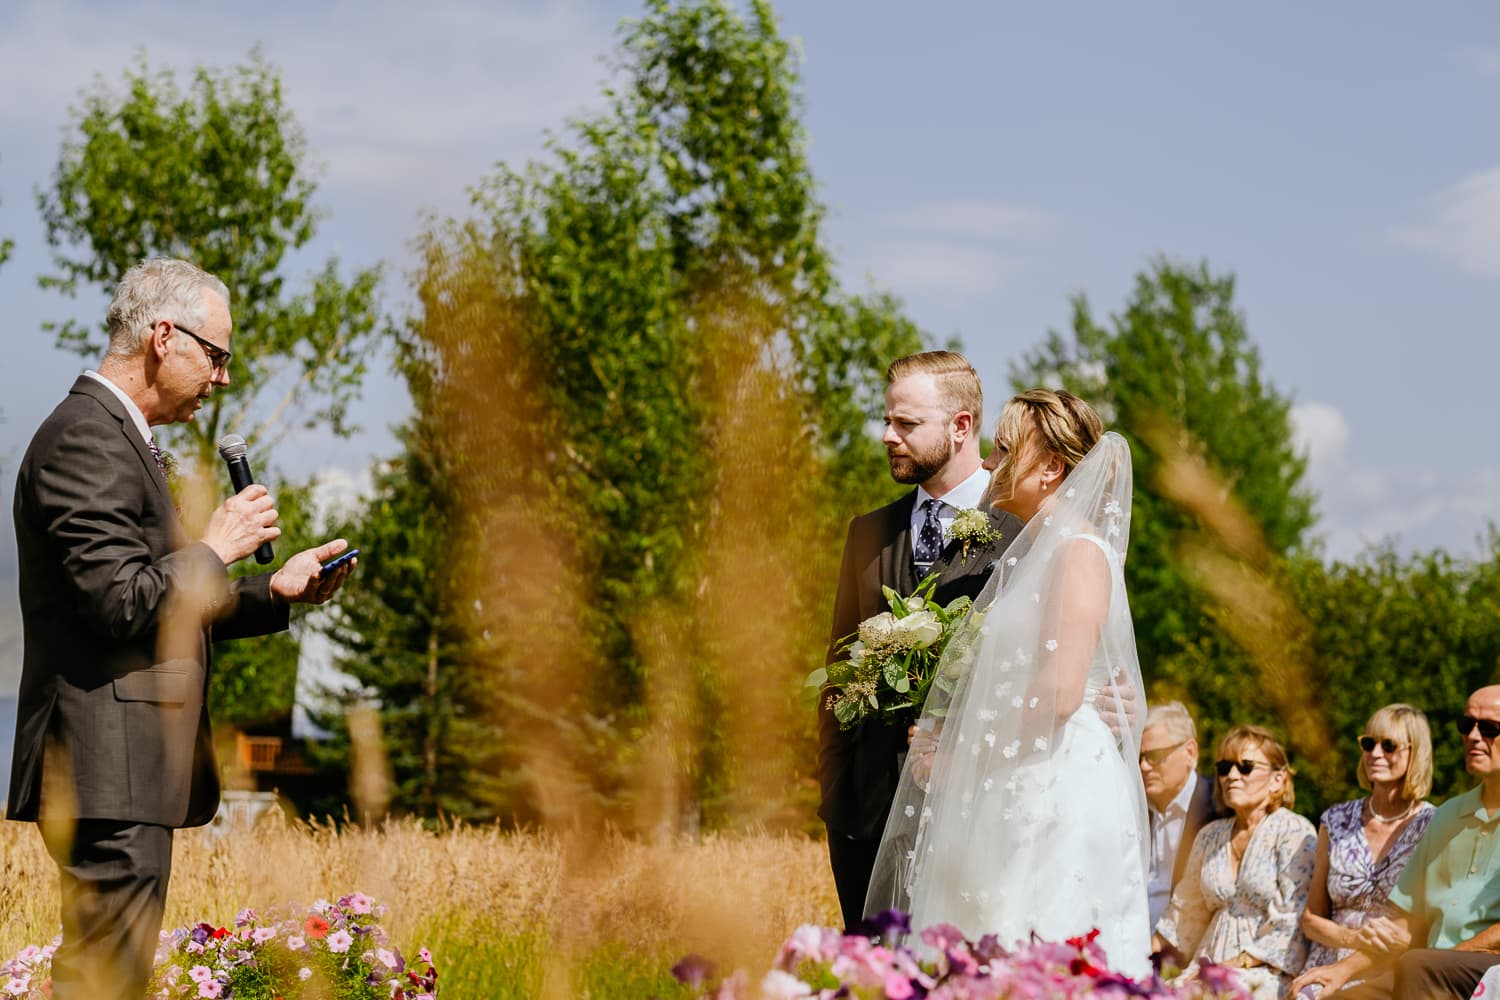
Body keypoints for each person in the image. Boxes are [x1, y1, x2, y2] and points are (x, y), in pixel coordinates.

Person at [6, 258, 355, 1000]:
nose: (222, 378)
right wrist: (214, 548)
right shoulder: (85, 438)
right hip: (106, 770)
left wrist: (273, 590)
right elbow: (119, 602)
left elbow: (160, 606)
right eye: (217, 355)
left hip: (123, 773)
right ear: (163, 337)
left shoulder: (115, 436)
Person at [866, 388, 1152, 975]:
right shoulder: (1038, 554)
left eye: (1004, 449)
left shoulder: (1078, 553)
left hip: (1054, 784)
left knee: (1036, 943)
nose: (990, 462)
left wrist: (959, 752)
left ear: (1051, 468)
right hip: (1020, 771)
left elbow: (1060, 694)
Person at [818, 350, 1021, 930]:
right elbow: (838, 666)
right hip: (864, 817)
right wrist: (836, 787)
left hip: (976, 819)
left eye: (906, 423)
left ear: (961, 426)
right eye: (887, 420)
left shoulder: (1021, 529)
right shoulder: (867, 533)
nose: (888, 436)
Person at [1290, 687, 1500, 1000]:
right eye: (1466, 725)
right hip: (1428, 970)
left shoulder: (1426, 817)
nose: (1472, 736)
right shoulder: (1448, 816)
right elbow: (1408, 924)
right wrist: (1342, 971)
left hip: (1483, 972)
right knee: (1339, 997)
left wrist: (1446, 958)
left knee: (1417, 966)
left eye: (1489, 729)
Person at [1155, 724, 1318, 1000]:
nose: (1231, 776)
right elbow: (1186, 913)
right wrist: (1137, 961)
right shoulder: (1210, 836)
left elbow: (1292, 921)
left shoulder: (1293, 831)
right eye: (1224, 768)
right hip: (1205, 965)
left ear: (1277, 779)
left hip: (1267, 970)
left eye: (1245, 767)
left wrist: (1229, 967)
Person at [1292, 705, 1434, 993]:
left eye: (1389, 745)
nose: (1375, 754)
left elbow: (1425, 921)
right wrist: (1353, 939)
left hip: (1392, 966)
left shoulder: (1433, 824)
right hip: (1327, 960)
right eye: (1369, 744)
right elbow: (1311, 919)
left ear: (1415, 752)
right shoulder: (1335, 820)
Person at [1141, 701, 1225, 929]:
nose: (1144, 767)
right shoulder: (1132, 809)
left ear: (1190, 752)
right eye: (1139, 758)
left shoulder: (1219, 809)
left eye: (1154, 756)